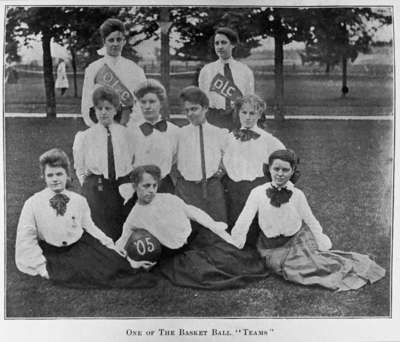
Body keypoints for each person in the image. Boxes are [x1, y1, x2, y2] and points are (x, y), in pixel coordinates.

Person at [230, 149, 386, 291]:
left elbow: (310, 219)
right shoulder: (257, 193)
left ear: (293, 172)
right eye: (276, 169)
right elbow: (245, 218)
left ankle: (356, 269)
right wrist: (237, 240)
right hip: (271, 246)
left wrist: (321, 239)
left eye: (285, 170)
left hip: (297, 240)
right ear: (268, 169)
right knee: (289, 269)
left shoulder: (297, 195)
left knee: (319, 264)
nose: (280, 174)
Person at [15, 148, 156, 289]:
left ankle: (132, 264)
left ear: (67, 175)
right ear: (44, 177)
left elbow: (91, 228)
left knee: (110, 265)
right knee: (82, 274)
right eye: (50, 175)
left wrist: (112, 248)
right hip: (53, 252)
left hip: (79, 247)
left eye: (59, 174)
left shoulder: (78, 200)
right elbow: (26, 239)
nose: (55, 179)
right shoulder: (33, 203)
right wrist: (41, 267)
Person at [116, 165, 268, 290]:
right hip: (175, 256)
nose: (151, 190)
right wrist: (133, 262)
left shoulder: (168, 199)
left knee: (231, 260)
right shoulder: (134, 217)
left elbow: (194, 213)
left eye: (154, 185)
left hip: (195, 243)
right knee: (208, 275)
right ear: (135, 186)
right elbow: (120, 245)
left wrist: (216, 227)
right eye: (146, 186)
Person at [222, 94, 285, 246]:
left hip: (257, 189)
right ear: (238, 113)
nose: (248, 117)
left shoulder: (268, 140)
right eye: (244, 112)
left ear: (259, 115)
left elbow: (285, 161)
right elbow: (222, 160)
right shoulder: (228, 138)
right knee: (235, 227)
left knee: (256, 230)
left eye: (252, 113)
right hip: (234, 190)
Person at [73, 86, 134, 241]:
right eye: (99, 108)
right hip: (97, 188)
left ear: (116, 110)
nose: (104, 112)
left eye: (108, 108)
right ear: (94, 110)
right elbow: (80, 167)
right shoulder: (85, 137)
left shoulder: (126, 134)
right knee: (99, 228)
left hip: (122, 186)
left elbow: (132, 161)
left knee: (122, 226)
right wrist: (89, 184)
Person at [175, 86, 228, 223]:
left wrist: (220, 171)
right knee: (187, 229)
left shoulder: (219, 133)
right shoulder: (179, 134)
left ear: (205, 108)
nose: (190, 114)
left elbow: (229, 159)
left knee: (216, 228)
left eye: (194, 109)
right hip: (187, 190)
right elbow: (169, 161)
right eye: (187, 110)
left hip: (211, 188)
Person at [81, 18, 146, 127]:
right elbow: (86, 104)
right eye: (111, 40)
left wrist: (131, 126)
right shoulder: (93, 69)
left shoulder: (135, 70)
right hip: (100, 127)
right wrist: (95, 127)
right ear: (104, 42)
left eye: (119, 39)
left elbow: (141, 102)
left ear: (124, 41)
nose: (115, 44)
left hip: (128, 129)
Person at [129, 79, 179, 194]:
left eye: (152, 102)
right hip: (139, 187)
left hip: (164, 186)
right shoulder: (131, 132)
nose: (147, 106)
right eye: (143, 102)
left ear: (161, 103)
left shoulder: (173, 131)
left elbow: (174, 158)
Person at [199, 27, 254, 130]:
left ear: (233, 44)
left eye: (224, 43)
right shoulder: (206, 71)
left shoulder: (245, 71)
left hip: (238, 120)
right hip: (214, 120)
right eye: (217, 43)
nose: (220, 47)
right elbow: (203, 101)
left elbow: (249, 99)